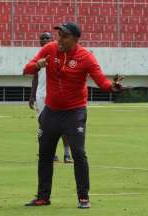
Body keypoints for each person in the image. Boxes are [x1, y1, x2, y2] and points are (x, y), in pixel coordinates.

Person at [23, 22, 122, 208]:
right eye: (59, 35)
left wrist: (112, 87)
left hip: (74, 112)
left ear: (76, 39)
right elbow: (26, 69)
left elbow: (101, 81)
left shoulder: (86, 57)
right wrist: (37, 64)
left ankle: (83, 197)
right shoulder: (49, 48)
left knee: (78, 153)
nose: (59, 39)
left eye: (65, 36)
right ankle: (43, 197)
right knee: (45, 154)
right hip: (51, 111)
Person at [29, 32, 73, 163]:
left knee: (64, 125)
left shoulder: (60, 54)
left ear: (52, 39)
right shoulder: (37, 57)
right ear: (39, 41)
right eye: (42, 38)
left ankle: (67, 154)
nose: (44, 40)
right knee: (43, 125)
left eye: (47, 38)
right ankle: (49, 153)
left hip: (58, 94)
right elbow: (35, 77)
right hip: (41, 95)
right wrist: (32, 96)